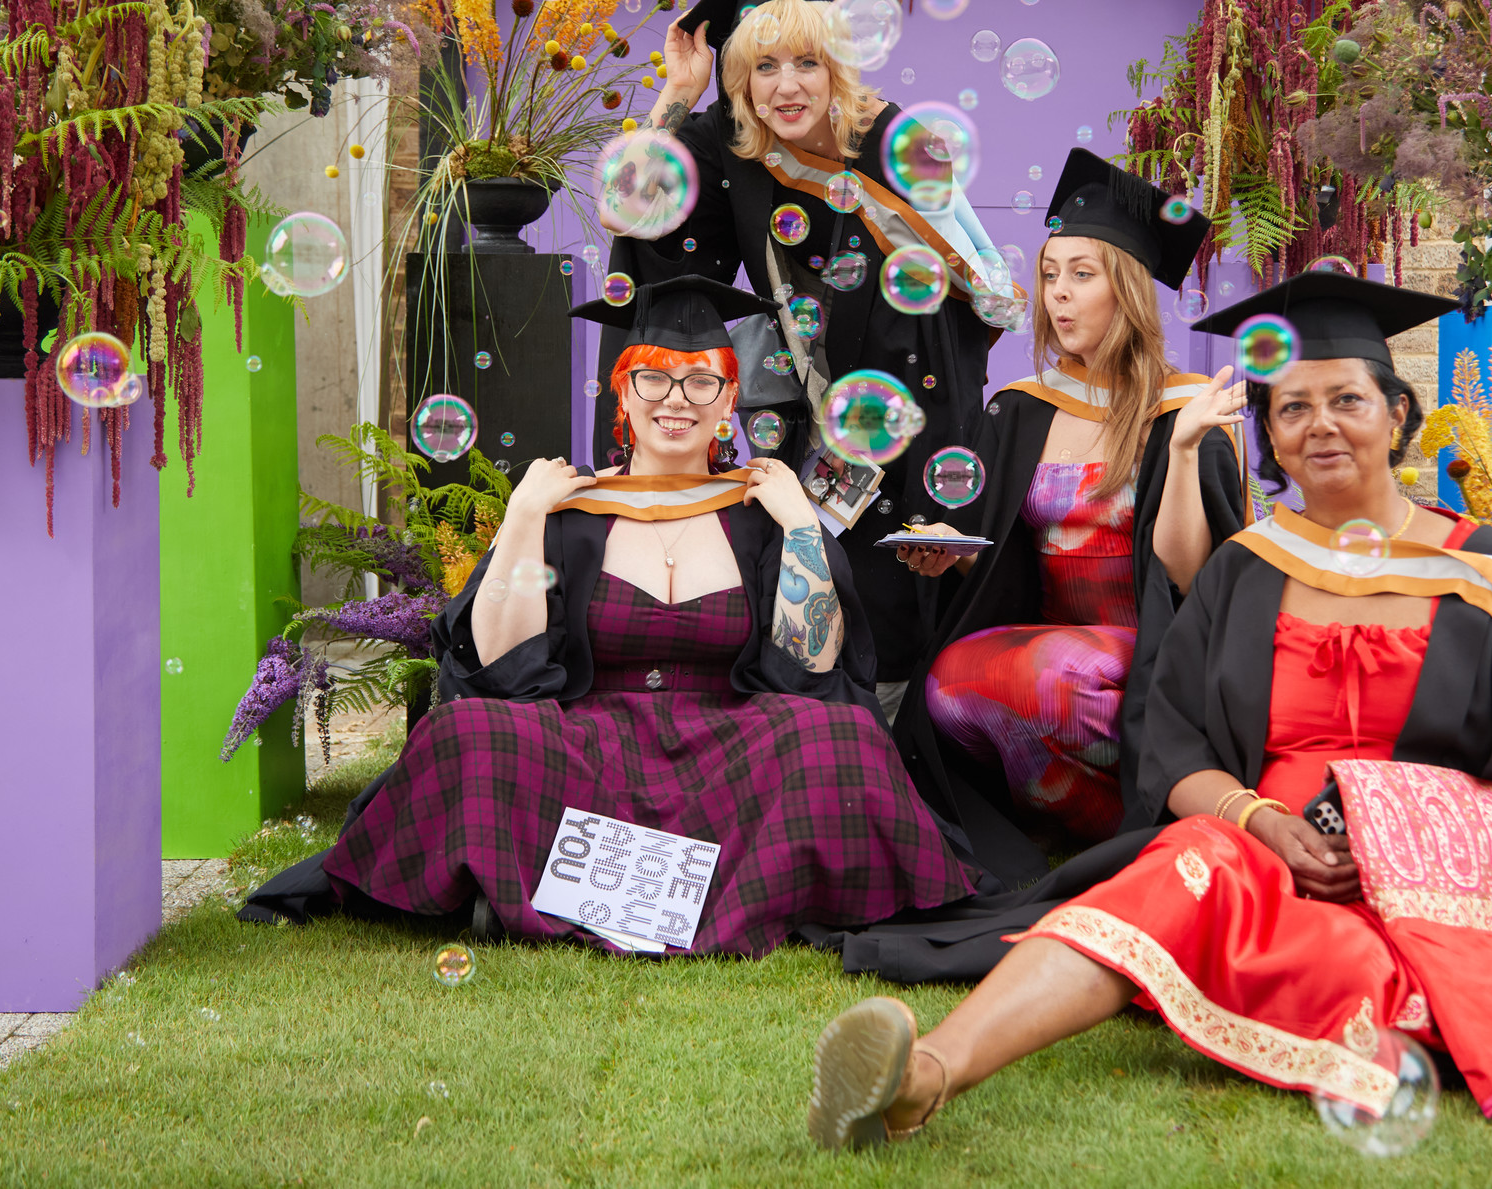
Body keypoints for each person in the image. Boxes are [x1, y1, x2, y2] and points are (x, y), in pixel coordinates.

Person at [804, 272, 1492, 1147]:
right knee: (1180, 863)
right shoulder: (1252, 568)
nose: (1321, 426)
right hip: (1262, 855)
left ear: (1397, 414)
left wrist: (1390, 836)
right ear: (1268, 432)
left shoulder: (1483, 576)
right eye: (1291, 408)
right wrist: (1259, 818)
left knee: (1333, 961)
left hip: (1426, 893)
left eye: (1346, 398)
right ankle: (925, 1073)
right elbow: (1172, 745)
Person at [241, 276, 972, 956]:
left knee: (837, 733)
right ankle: (705, 891)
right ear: (623, 393)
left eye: (701, 380)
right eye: (653, 376)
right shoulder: (573, 511)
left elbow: (809, 670)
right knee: (467, 729)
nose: (675, 398)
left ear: (728, 402)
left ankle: (531, 889)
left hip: (734, 748)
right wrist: (525, 514)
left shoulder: (760, 516)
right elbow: (503, 668)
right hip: (591, 748)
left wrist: (803, 527)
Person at [599, 0, 1003, 719]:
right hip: (795, 423)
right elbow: (648, 222)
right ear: (740, 75)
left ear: (840, 67)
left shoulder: (894, 146)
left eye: (807, 62)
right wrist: (678, 95)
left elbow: (960, 316)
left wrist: (938, 493)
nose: (787, 86)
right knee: (790, 604)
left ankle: (879, 763)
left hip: (907, 431)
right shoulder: (731, 142)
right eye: (764, 65)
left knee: (886, 616)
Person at [887, 149, 1245, 883]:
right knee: (949, 685)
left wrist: (1180, 453)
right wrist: (956, 549)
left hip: (1152, 658)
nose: (1059, 295)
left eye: (1083, 275)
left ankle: (1125, 826)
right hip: (1053, 642)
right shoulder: (1024, 408)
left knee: (1054, 678)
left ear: (1128, 289)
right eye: (1051, 274)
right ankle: (1109, 828)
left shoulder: (1189, 410)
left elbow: (1190, 575)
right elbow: (1004, 558)